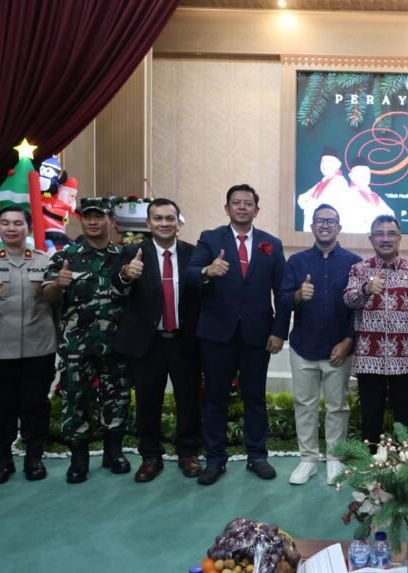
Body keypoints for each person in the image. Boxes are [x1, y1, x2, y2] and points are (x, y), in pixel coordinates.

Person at [185, 184, 288, 486]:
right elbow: (190, 275)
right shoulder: (210, 238)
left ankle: (257, 455)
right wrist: (207, 271)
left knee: (254, 397)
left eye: (248, 203)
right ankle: (215, 459)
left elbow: (282, 292)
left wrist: (279, 331)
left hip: (257, 334)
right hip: (217, 334)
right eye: (236, 202)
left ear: (257, 210)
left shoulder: (271, 244)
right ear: (227, 208)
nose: (242, 207)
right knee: (215, 398)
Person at [43, 197, 132, 484]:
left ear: (111, 221)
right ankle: (78, 459)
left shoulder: (124, 256)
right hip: (76, 345)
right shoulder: (65, 256)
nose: (92, 221)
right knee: (76, 400)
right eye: (87, 216)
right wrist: (57, 284)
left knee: (117, 399)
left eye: (99, 216)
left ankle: (113, 452)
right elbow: (47, 295)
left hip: (115, 343)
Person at [113, 198, 203, 482]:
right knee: (148, 403)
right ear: (148, 223)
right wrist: (126, 274)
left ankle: (188, 453)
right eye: (158, 218)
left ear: (178, 222)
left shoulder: (193, 253)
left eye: (170, 218)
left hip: (184, 341)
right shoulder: (132, 252)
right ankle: (150, 456)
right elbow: (116, 283)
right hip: (148, 343)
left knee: (188, 401)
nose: (164, 223)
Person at [0, 207, 58, 483]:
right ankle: (2, 461)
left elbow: (57, 299)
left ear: (28, 229)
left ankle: (34, 459)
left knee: (36, 406)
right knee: (1, 407)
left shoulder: (45, 261)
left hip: (38, 348)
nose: (11, 228)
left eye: (18, 223)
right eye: (6, 223)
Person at [279, 204, 361, 485]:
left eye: (331, 221)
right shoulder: (296, 262)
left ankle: (335, 459)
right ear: (312, 226)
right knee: (304, 404)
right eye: (320, 221)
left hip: (338, 349)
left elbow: (359, 308)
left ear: (339, 227)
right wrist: (298, 295)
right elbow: (283, 299)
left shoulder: (354, 262)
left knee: (337, 407)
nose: (325, 225)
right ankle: (308, 460)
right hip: (304, 347)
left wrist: (348, 341)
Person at [344, 215, 408, 444]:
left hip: (406, 359)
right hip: (369, 358)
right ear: (371, 239)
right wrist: (366, 289)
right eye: (379, 234)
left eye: (391, 234)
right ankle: (371, 463)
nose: (385, 239)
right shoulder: (359, 270)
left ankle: (407, 463)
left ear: (400, 238)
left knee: (406, 421)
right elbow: (349, 300)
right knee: (370, 420)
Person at [297, 147, 349, 232]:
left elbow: (324, 206)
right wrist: (311, 202)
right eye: (323, 161)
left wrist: (310, 202)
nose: (324, 165)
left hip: (326, 232)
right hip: (311, 231)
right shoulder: (321, 183)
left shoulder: (340, 182)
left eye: (329, 161)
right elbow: (300, 200)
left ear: (338, 164)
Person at [341, 158, 395, 234]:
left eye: (366, 173)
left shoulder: (374, 196)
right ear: (351, 176)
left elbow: (390, 215)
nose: (364, 176)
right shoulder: (345, 195)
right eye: (360, 173)